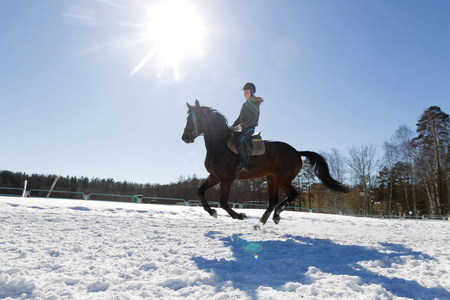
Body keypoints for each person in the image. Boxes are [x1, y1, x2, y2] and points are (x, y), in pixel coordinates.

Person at [231, 82, 264, 172]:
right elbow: (240, 118)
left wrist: (240, 126)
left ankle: (245, 163)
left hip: (249, 128)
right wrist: (233, 126)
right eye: (244, 92)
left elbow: (252, 120)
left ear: (252, 92)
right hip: (243, 128)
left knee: (240, 140)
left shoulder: (254, 104)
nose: (244, 94)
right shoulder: (245, 104)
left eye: (247, 92)